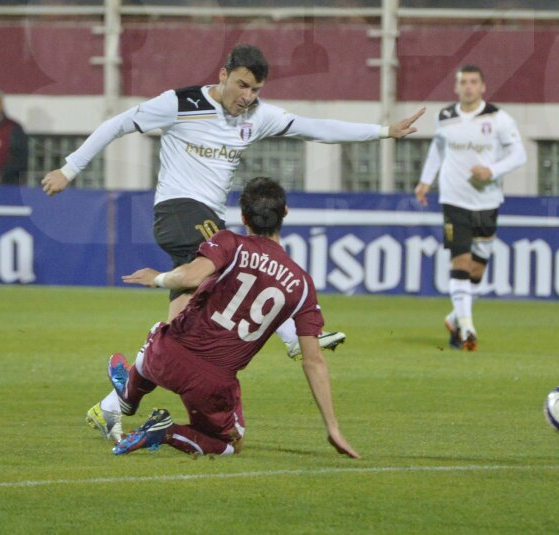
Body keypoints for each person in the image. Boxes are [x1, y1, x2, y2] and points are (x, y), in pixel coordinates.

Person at [42, 44, 421, 436]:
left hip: (207, 220)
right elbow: (117, 123)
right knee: (238, 267)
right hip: (179, 211)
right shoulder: (181, 103)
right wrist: (71, 168)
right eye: (241, 85)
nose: (247, 97)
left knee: (186, 328)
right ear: (223, 76)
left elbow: (316, 128)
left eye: (255, 89)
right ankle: (292, 337)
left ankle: (118, 399)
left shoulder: (257, 116)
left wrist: (383, 132)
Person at [98, 176, 360, 459]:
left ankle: (128, 394)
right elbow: (313, 361)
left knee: (159, 336)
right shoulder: (302, 283)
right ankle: (165, 431)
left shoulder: (228, 242)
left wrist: (157, 278)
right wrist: (332, 427)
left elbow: (190, 275)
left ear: (244, 216)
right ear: (285, 213)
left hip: (164, 356)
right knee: (230, 444)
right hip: (210, 384)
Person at [414, 64, 526, 352]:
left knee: (477, 269)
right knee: (460, 261)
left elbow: (519, 154)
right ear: (456, 87)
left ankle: (454, 320)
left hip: (487, 201)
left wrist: (492, 169)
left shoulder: (498, 118)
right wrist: (426, 181)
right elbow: (438, 149)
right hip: (454, 200)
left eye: (473, 82)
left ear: (483, 87)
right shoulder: (446, 117)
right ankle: (467, 325)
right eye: (463, 82)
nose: (468, 87)